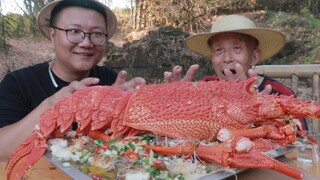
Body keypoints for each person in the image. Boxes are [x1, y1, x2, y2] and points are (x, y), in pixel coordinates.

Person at [0, 0, 146, 161]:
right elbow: (2, 150)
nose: (86, 43)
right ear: (53, 35)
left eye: (96, 34)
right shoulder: (18, 84)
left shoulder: (111, 81)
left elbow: (128, 143)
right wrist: (52, 105)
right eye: (74, 31)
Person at [164, 14, 307, 130]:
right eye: (218, 50)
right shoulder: (205, 89)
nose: (227, 58)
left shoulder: (280, 94)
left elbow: (300, 145)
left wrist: (253, 111)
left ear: (254, 57)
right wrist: (177, 101)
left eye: (237, 48)